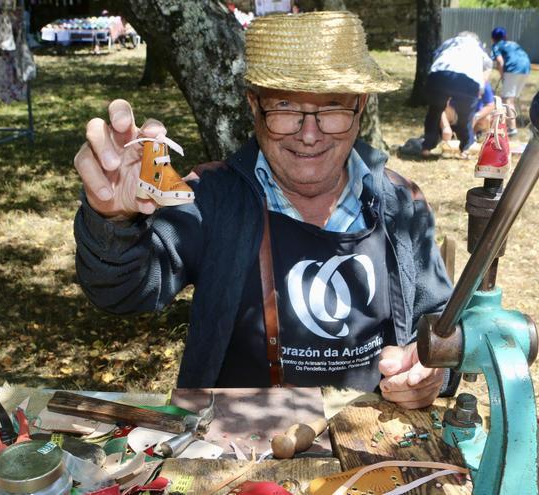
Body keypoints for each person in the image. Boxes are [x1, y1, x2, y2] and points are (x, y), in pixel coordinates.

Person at [73, 11, 455, 408]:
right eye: (285, 106)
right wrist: (114, 220)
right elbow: (122, 293)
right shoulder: (211, 198)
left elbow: (445, 326)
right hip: (238, 451)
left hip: (371, 449)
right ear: (254, 106)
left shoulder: (400, 204)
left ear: (360, 107)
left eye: (332, 106)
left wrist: (434, 372)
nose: (309, 134)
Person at [421, 32, 492, 159]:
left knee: (434, 111)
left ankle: (426, 147)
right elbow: (488, 66)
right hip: (467, 79)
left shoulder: (450, 43)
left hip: (439, 75)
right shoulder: (477, 47)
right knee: (465, 116)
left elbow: (435, 56)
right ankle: (465, 148)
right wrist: (481, 86)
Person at [489, 27, 530, 137]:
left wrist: (502, 76)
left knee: (507, 100)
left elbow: (500, 61)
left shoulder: (496, 46)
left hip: (512, 70)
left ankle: (512, 128)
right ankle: (509, 125)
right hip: (526, 69)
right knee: (511, 98)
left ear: (493, 38)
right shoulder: (513, 44)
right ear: (505, 36)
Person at [440, 80, 496, 146]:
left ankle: (476, 136)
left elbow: (491, 105)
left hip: (474, 115)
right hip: (455, 115)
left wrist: (476, 116)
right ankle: (445, 135)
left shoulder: (484, 83)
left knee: (487, 118)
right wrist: (445, 127)